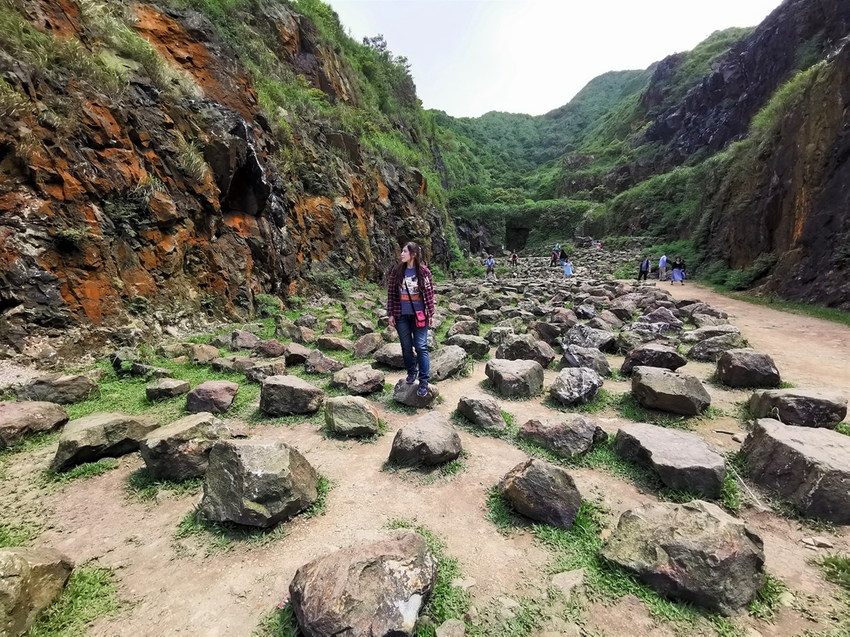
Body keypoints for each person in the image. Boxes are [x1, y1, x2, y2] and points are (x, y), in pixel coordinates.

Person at [387, 241, 436, 397]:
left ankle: (423, 381)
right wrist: (391, 314)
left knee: (421, 347)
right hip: (401, 315)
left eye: (404, 251)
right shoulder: (396, 271)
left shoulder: (424, 272)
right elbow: (391, 294)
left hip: (419, 316)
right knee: (406, 347)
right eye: (402, 251)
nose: (401, 254)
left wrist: (431, 314)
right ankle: (411, 372)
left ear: (413, 255)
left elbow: (429, 294)